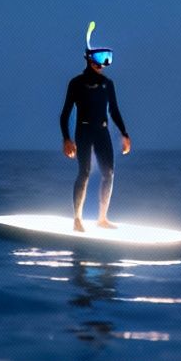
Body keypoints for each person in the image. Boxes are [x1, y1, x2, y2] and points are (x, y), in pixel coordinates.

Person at [59, 27, 131, 232]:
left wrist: (124, 134)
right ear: (89, 59)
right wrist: (66, 139)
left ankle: (102, 218)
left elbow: (114, 111)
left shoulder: (108, 84)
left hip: (102, 132)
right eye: (101, 59)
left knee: (109, 173)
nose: (104, 64)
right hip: (83, 132)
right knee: (84, 172)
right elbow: (65, 114)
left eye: (108, 59)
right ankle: (77, 219)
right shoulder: (76, 83)